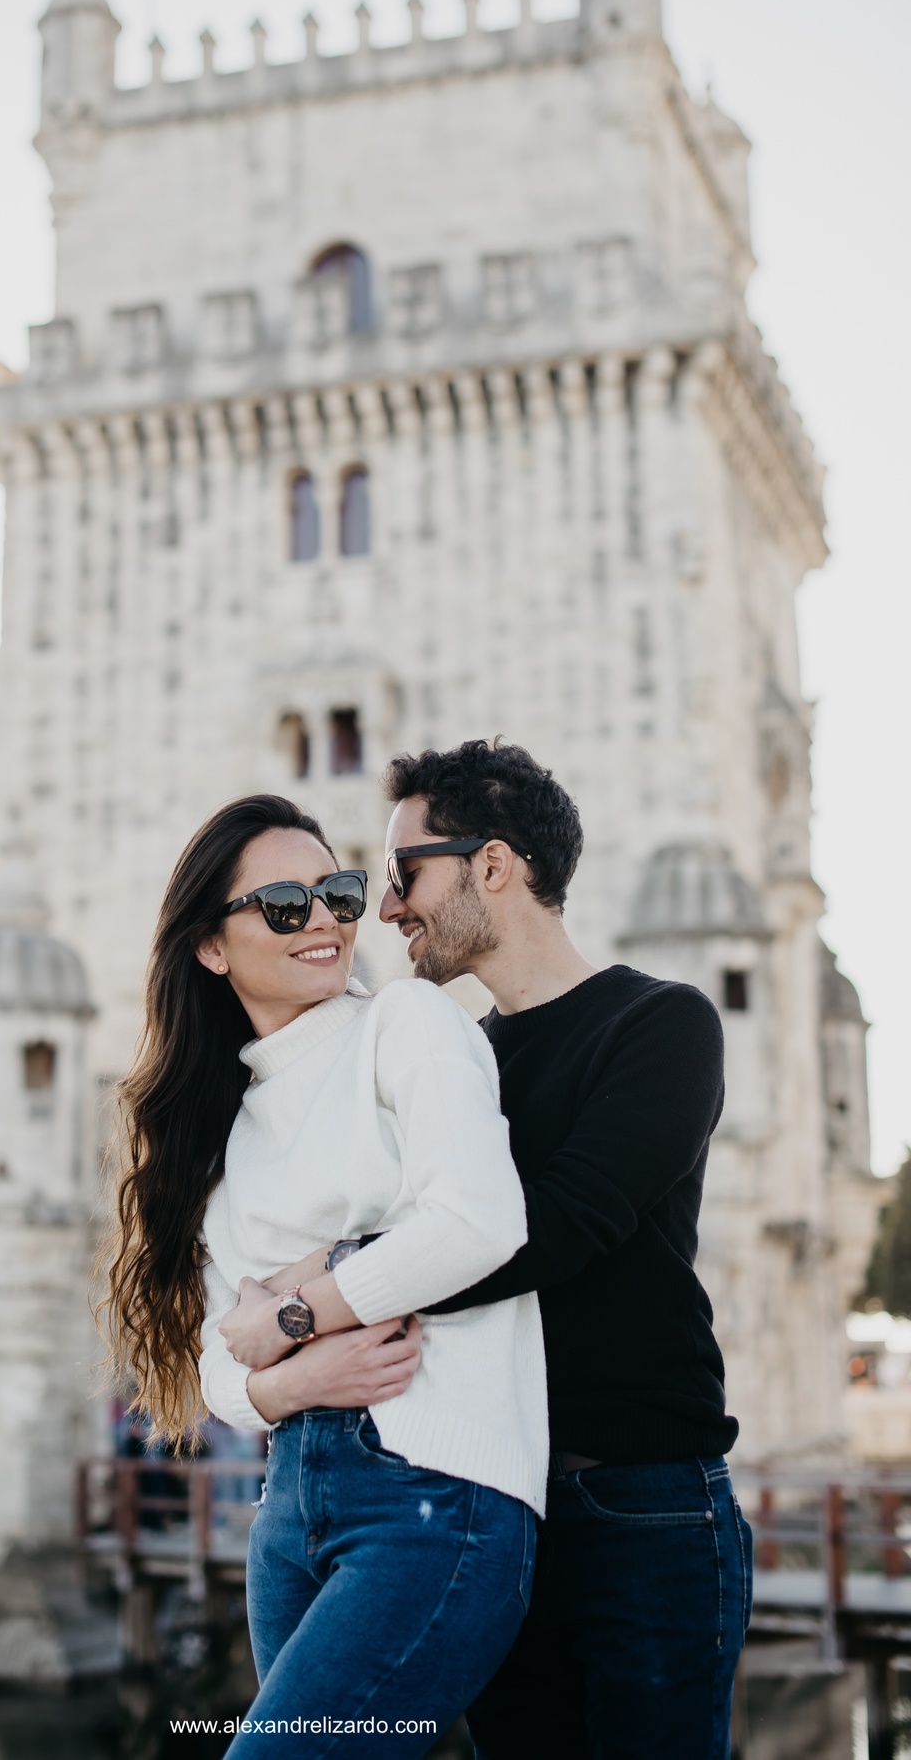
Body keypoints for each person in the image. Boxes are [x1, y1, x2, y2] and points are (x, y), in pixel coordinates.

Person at [97, 793, 548, 1757]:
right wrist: (290, 1378)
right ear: (211, 947)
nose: (329, 922)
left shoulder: (407, 1024)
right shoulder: (218, 1128)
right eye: (284, 905)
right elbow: (220, 1365)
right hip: (289, 1512)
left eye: (338, 893)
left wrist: (297, 1312)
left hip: (437, 1498)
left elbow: (480, 1221)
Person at [371, 738, 752, 1758]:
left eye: (404, 874)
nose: (385, 908)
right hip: (494, 1508)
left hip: (644, 1504)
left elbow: (558, 1227)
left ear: (492, 865)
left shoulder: (661, 1025)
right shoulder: (460, 1063)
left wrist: (335, 1288)